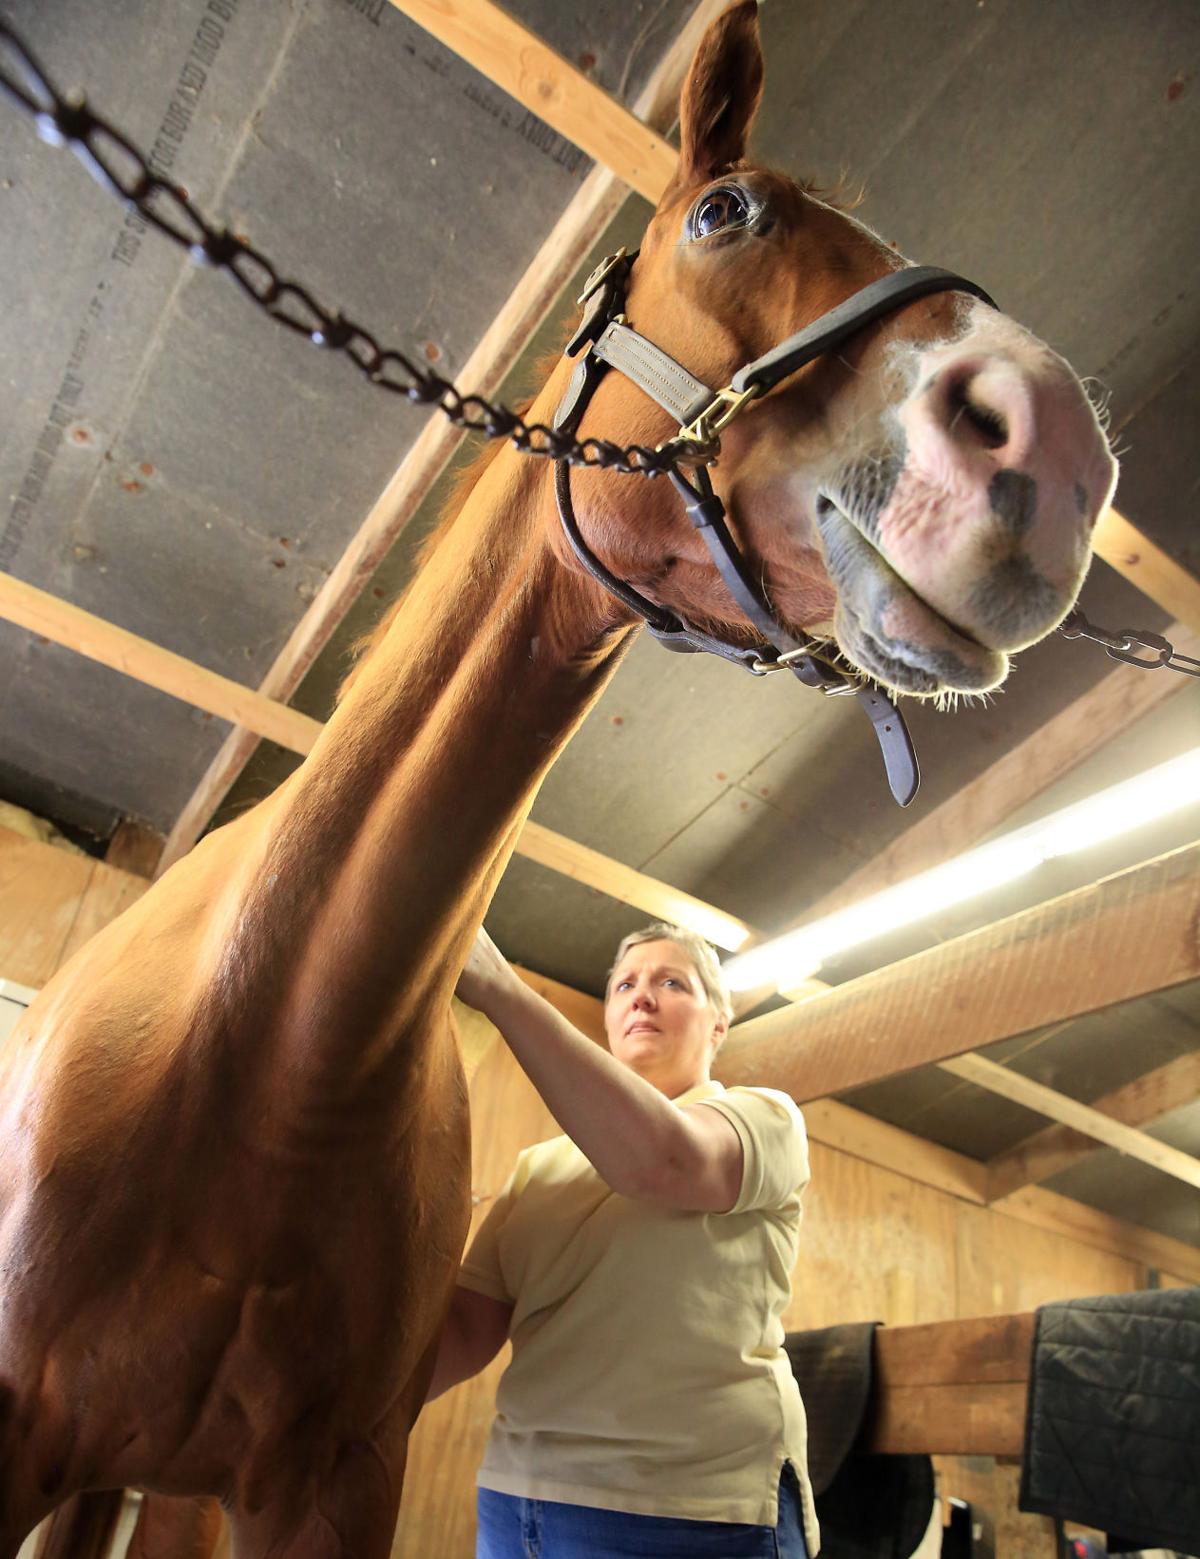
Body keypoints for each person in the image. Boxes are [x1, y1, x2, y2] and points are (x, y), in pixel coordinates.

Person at [433, 921, 818, 1559]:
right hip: (515, 1498)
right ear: (610, 1016)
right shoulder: (539, 1168)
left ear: (718, 1026)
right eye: (624, 986)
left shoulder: (766, 1119)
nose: (642, 996)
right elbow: (466, 1330)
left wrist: (499, 987)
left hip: (686, 1510)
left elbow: (663, 1161)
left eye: (673, 983)